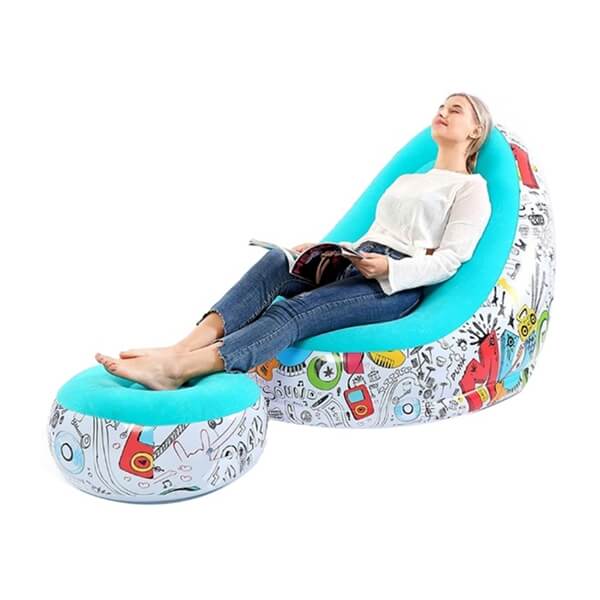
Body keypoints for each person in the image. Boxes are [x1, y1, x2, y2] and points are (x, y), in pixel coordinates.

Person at [95, 92, 493, 390]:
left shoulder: (471, 188)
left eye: (455, 109)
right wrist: (325, 252)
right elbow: (378, 234)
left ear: (475, 131)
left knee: (292, 312)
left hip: (392, 286)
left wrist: (391, 268)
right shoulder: (409, 180)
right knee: (276, 262)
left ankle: (177, 370)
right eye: (441, 106)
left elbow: (451, 260)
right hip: (359, 262)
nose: (443, 111)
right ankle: (181, 347)